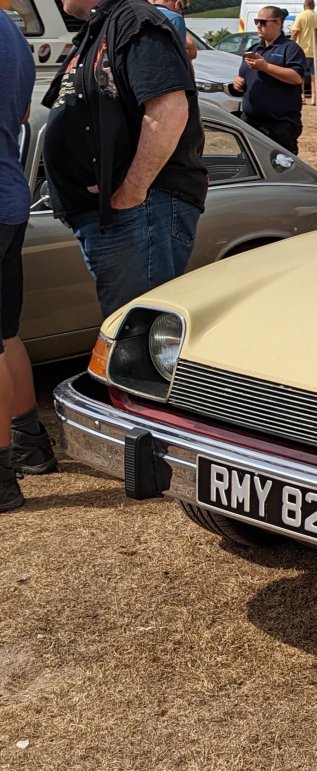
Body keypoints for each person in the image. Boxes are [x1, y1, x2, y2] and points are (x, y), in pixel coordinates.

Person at [41, 0, 207, 319]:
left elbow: (168, 110)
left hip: (140, 212)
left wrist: (131, 193)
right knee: (127, 330)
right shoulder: (99, 27)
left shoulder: (135, 18)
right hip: (120, 216)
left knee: (134, 336)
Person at [1, 10, 58, 511]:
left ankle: (2, 478)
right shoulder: (13, 34)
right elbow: (21, 115)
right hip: (8, 197)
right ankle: (31, 447)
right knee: (5, 330)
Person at [233, 6, 305, 153]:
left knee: (281, 169)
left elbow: (296, 78)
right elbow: (243, 75)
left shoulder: (290, 49)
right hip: (250, 122)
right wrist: (238, 82)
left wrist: (266, 67)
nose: (258, 26)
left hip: (278, 125)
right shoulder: (254, 49)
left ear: (277, 23)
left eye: (263, 22)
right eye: (256, 21)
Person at [291, 0, 317, 106]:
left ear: (304, 6)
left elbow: (294, 33)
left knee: (300, 75)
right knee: (315, 77)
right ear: (314, 6)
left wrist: (290, 47)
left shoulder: (301, 17)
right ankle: (314, 99)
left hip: (304, 51)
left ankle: (302, 96)